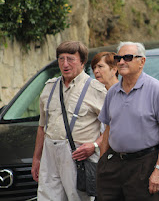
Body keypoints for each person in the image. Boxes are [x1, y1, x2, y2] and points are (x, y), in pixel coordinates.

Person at [97, 41, 159, 201]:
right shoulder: (112, 92)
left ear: (142, 61)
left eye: (127, 57)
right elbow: (108, 129)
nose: (121, 62)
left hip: (144, 165)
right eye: (118, 58)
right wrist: (102, 163)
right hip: (113, 165)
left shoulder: (155, 89)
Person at [31, 41, 107, 201]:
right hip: (50, 153)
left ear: (82, 62)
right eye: (61, 59)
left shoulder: (95, 89)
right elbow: (42, 127)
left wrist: (95, 145)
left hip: (79, 156)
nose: (65, 64)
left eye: (70, 59)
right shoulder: (49, 87)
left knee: (78, 198)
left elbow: (113, 126)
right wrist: (37, 159)